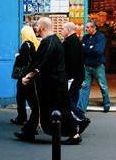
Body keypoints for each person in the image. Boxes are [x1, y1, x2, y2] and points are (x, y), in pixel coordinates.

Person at [14, 17, 82, 145]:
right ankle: (29, 131)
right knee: (39, 107)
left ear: (42, 27)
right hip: (54, 82)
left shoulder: (48, 42)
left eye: (37, 26)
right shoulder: (55, 40)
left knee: (59, 109)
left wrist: (28, 76)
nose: (35, 28)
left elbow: (40, 62)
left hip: (53, 84)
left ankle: (74, 133)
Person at [77, 21, 111, 116]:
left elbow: (98, 51)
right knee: (84, 87)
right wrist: (90, 48)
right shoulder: (85, 37)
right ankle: (81, 108)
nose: (86, 29)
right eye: (86, 27)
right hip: (87, 66)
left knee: (103, 85)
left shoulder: (100, 37)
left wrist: (87, 48)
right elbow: (81, 50)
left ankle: (107, 104)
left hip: (98, 66)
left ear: (94, 28)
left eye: (88, 27)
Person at [10, 26, 39, 125]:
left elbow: (23, 60)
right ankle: (27, 117)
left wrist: (17, 56)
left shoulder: (25, 45)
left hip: (24, 75)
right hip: (30, 74)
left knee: (21, 97)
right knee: (29, 97)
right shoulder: (34, 44)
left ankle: (22, 118)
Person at [61, 22, 89, 126]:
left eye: (63, 29)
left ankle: (80, 117)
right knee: (73, 98)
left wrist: (68, 77)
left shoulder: (70, 42)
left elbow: (71, 61)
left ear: (68, 30)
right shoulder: (75, 40)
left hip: (72, 77)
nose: (61, 31)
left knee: (67, 100)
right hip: (77, 76)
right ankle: (73, 118)